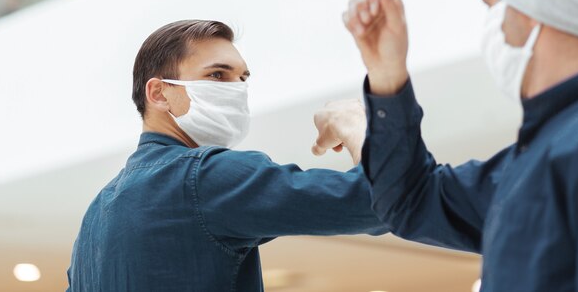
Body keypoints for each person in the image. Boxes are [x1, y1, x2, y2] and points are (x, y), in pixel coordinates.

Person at [313, 0, 578, 290]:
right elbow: (411, 200)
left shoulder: (571, 149)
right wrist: (387, 75)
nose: (489, 27)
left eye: (491, 6)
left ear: (530, 9)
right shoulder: (531, 160)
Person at [66, 20, 387, 291]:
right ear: (159, 93)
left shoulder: (97, 215)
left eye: (242, 78)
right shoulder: (204, 178)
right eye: (218, 75)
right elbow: (385, 202)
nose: (237, 89)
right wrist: (356, 126)